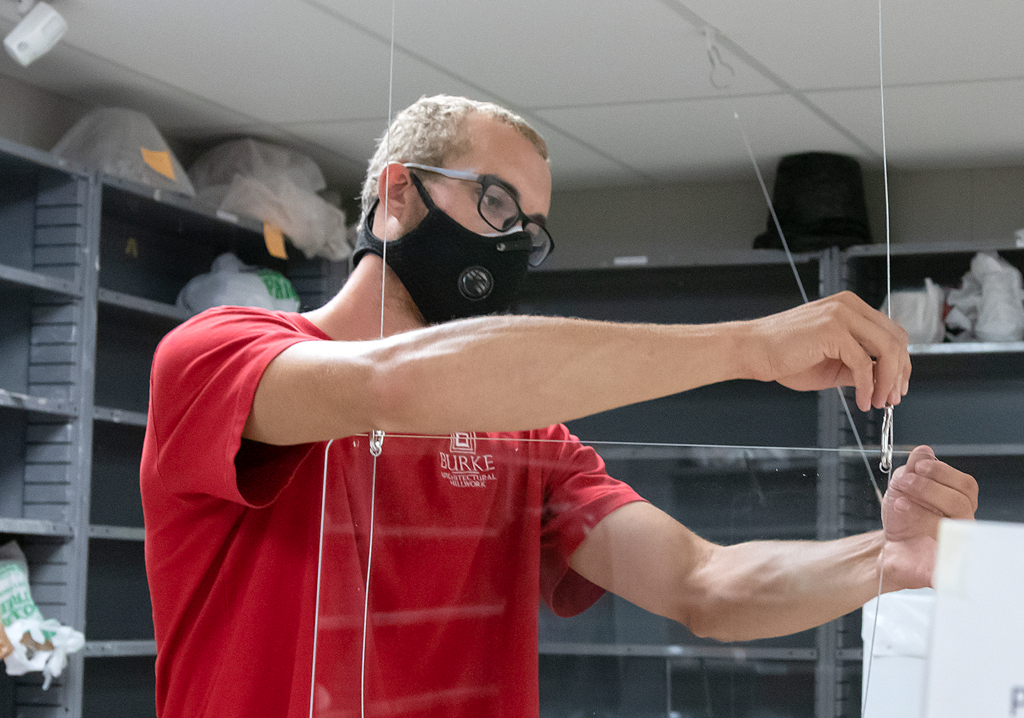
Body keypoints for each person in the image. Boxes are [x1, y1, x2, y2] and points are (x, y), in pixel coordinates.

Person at [141, 95, 978, 718]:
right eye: (494, 203)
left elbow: (705, 584)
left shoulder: (527, 438)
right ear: (397, 195)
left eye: (530, 230)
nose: (511, 245)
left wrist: (887, 561)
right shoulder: (217, 355)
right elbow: (390, 388)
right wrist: (746, 348)